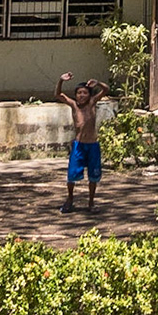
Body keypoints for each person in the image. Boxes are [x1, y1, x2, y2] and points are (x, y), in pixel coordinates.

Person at [56, 72, 104, 213]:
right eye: (79, 93)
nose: (82, 95)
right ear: (75, 95)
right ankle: (70, 199)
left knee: (93, 176)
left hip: (93, 145)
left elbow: (105, 89)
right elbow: (58, 94)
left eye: (85, 93)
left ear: (89, 95)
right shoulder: (74, 105)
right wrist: (61, 80)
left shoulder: (92, 103)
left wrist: (98, 83)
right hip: (79, 145)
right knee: (72, 175)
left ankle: (91, 202)